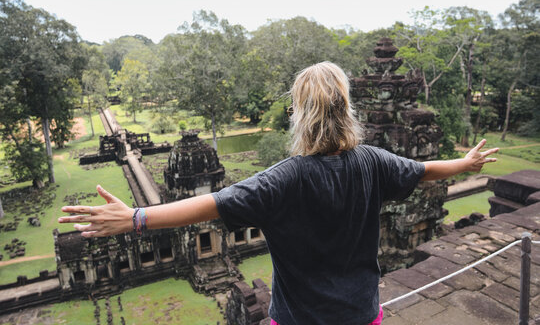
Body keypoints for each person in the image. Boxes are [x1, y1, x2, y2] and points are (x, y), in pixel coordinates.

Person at [59, 62, 498, 325]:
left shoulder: (284, 179)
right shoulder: (372, 161)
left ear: (299, 115)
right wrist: (465, 164)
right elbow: (423, 170)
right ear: (347, 108)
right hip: (362, 314)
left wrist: (137, 218)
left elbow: (210, 205)